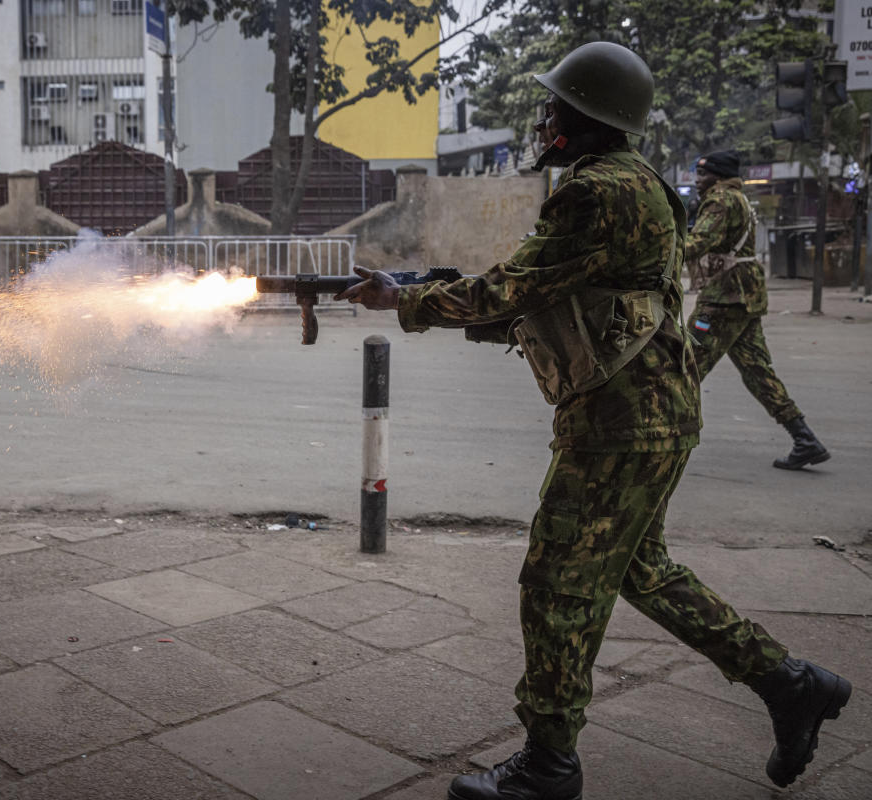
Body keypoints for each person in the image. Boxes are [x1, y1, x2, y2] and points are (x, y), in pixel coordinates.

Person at [336, 42, 851, 800]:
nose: (545, 118)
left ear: (585, 116)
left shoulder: (595, 192)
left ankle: (548, 766)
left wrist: (404, 299)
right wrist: (439, 293)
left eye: (556, 107)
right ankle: (790, 684)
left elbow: (513, 286)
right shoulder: (633, 181)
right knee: (641, 570)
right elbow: (563, 295)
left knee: (556, 584)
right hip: (650, 412)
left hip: (621, 422)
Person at [686, 150, 830, 470]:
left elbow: (698, 243)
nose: (697, 181)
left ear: (719, 176)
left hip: (723, 300)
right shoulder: (739, 198)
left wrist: (652, 253)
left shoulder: (720, 200)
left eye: (702, 175)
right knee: (758, 372)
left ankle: (670, 440)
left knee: (683, 367)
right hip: (745, 298)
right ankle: (804, 438)